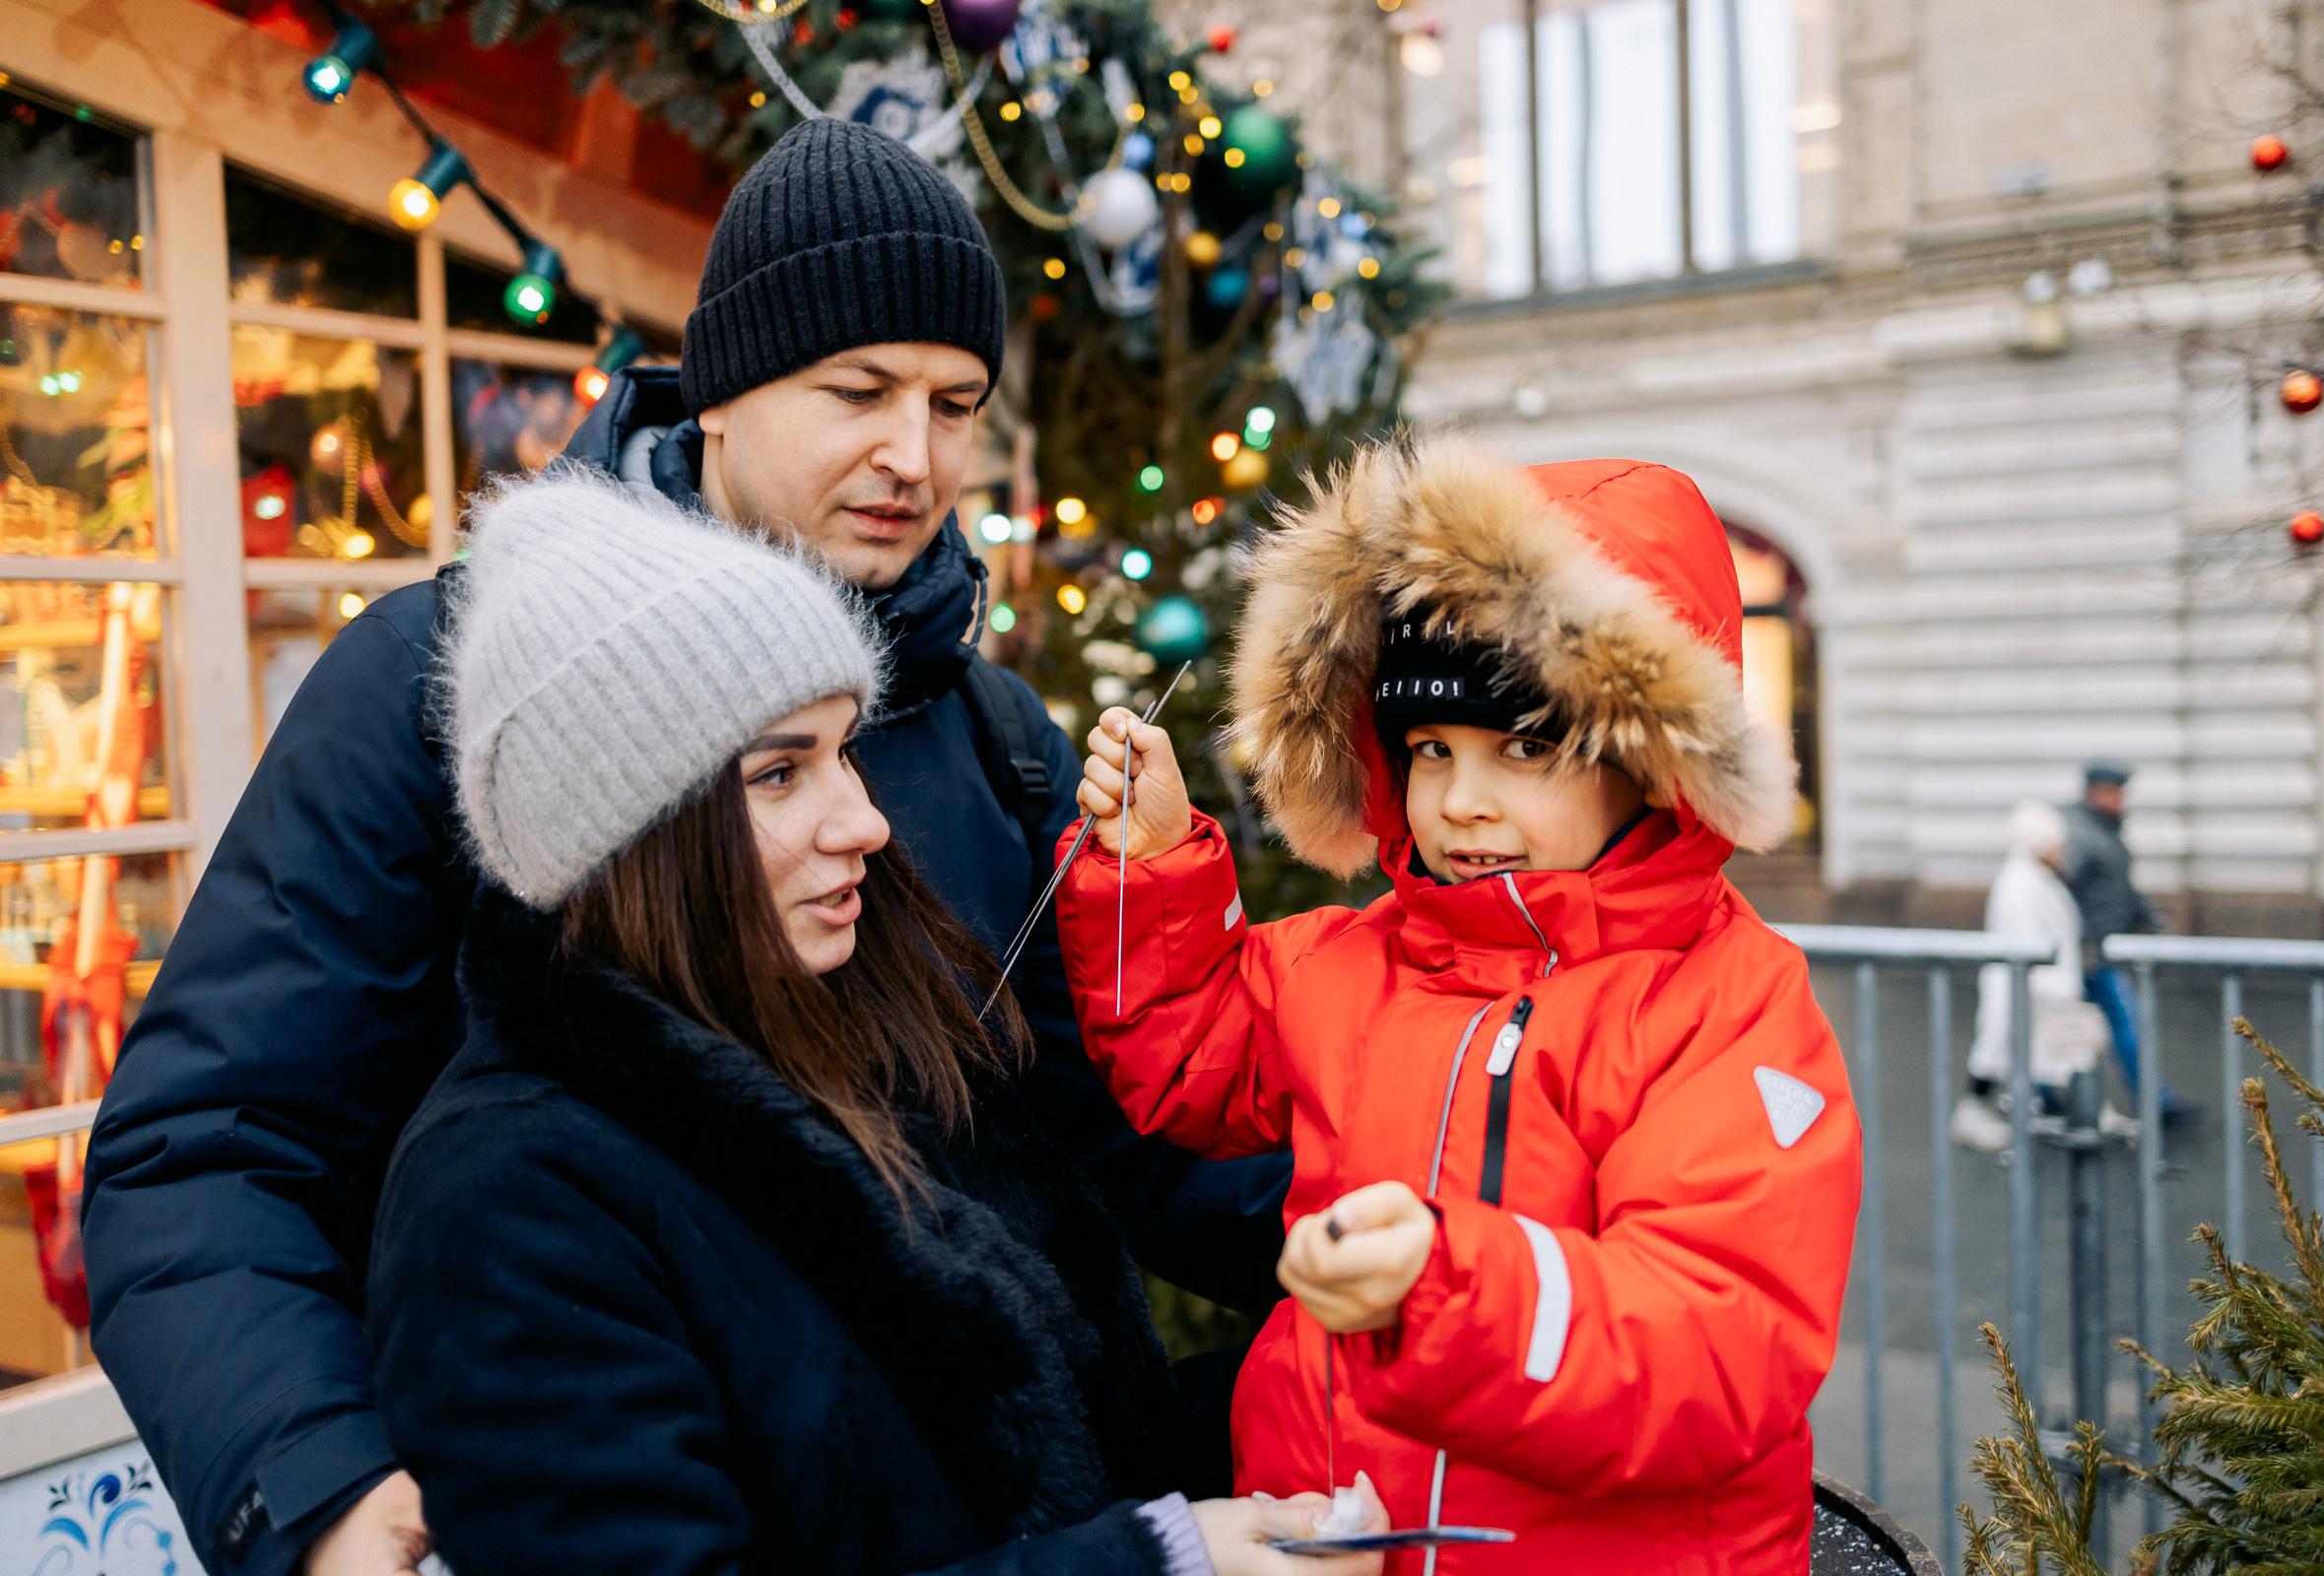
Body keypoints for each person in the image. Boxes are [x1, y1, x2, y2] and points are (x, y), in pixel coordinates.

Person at [82, 117, 1285, 1576]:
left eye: (956, 403)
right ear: (722, 389)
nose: (913, 455)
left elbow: (1115, 1124)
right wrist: (320, 1479)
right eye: (859, 389)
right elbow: (211, 1146)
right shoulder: (448, 693)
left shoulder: (989, 733)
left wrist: (1466, 1242)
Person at [367, 469, 1362, 1576]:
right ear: (634, 829)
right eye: (781, 772)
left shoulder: (873, 1048)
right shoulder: (506, 1200)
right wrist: (1162, 1559)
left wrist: (1337, 1406)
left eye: (845, 752)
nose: (866, 821)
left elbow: (1041, 1459)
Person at [1052, 438, 1862, 1573]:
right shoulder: (1361, 958)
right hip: (1339, 1532)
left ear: (1647, 759)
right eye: (1430, 749)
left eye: (1527, 747)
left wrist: (1446, 1289)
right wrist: (1152, 871)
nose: (1464, 802)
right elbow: (1188, 1061)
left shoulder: (1722, 1005)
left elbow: (1717, 1339)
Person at [1949, 800, 2120, 1152]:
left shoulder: (2034, 875)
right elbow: (2029, 944)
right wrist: (2062, 986)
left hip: (2039, 986)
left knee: (2059, 1051)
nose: (2063, 850)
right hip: (2031, 987)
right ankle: (1975, 1114)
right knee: (2005, 1051)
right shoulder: (2022, 883)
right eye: (2056, 843)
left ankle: (2087, 1113)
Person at [2060, 760, 2190, 1121]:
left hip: (2098, 953)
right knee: (2118, 1025)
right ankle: (2153, 1102)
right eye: (2116, 792)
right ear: (2097, 792)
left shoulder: (2102, 829)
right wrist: (2079, 943)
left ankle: (2050, 1097)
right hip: (2091, 955)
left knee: (2071, 1027)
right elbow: (2061, 896)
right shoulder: (2082, 835)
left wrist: (2148, 918)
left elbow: (2118, 887)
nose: (2123, 800)